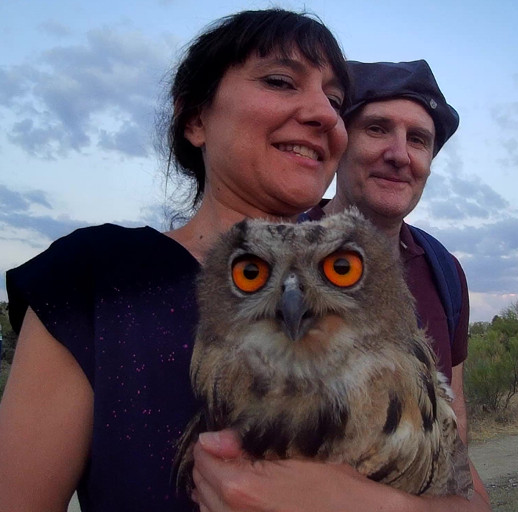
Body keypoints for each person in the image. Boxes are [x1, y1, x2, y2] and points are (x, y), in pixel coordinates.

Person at [0, 9, 350, 511]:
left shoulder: (362, 288)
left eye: (336, 101)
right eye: (280, 81)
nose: (325, 114)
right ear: (195, 119)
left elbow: (459, 494)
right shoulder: (98, 279)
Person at [188, 60, 491, 511]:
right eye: (376, 129)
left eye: (418, 140)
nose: (399, 153)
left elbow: (453, 430)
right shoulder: (264, 251)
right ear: (339, 140)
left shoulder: (444, 270)